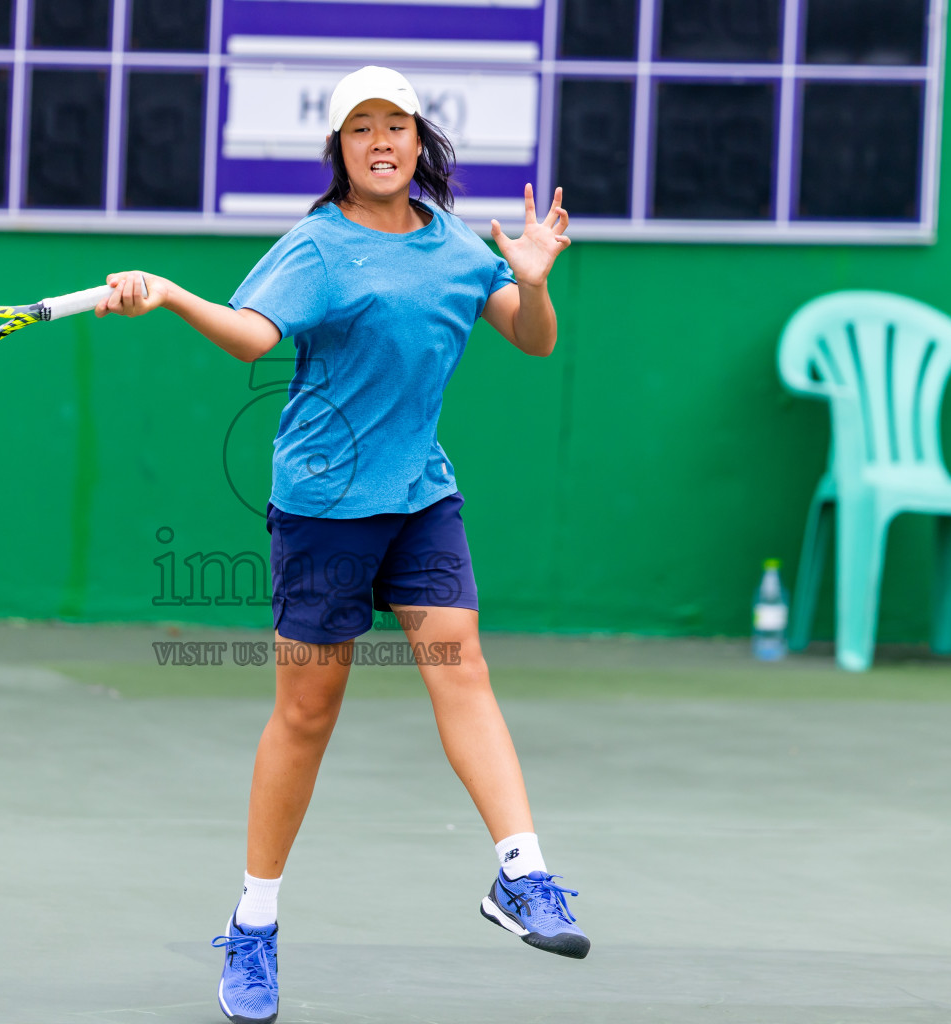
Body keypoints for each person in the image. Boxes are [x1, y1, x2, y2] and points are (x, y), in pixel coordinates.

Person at [97, 66, 583, 1023]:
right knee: (307, 718)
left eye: (394, 125)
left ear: (418, 139)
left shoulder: (456, 246)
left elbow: (533, 341)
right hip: (323, 505)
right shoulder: (316, 250)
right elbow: (249, 336)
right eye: (360, 129)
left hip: (420, 497)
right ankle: (253, 924)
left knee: (462, 666)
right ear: (340, 152)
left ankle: (520, 875)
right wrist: (169, 294)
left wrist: (530, 285)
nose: (381, 142)